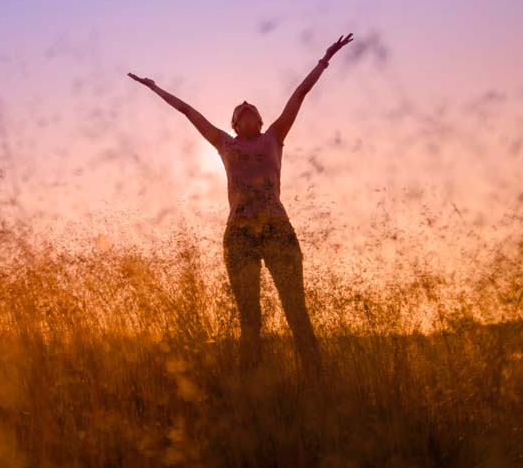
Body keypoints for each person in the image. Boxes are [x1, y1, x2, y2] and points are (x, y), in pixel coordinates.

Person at [127, 33, 354, 381]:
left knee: (297, 312)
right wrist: (154, 88)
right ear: (234, 124)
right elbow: (188, 111)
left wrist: (325, 59)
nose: (247, 112)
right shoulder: (223, 143)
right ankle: (253, 386)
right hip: (240, 236)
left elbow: (299, 94)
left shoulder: (275, 137)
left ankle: (316, 381)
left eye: (252, 112)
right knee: (251, 320)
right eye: (240, 113)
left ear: (261, 122)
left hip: (277, 230)